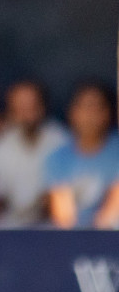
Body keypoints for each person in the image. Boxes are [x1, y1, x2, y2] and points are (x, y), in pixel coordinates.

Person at [0, 80, 65, 225]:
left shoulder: (60, 141)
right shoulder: (3, 144)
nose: (26, 113)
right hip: (11, 225)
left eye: (31, 106)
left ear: (42, 107)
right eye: (20, 107)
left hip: (52, 225)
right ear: (11, 110)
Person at [44, 83, 119, 228]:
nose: (90, 115)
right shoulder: (58, 157)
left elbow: (113, 211)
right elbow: (63, 217)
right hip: (74, 237)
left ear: (108, 113)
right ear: (72, 112)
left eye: (97, 108)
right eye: (84, 107)